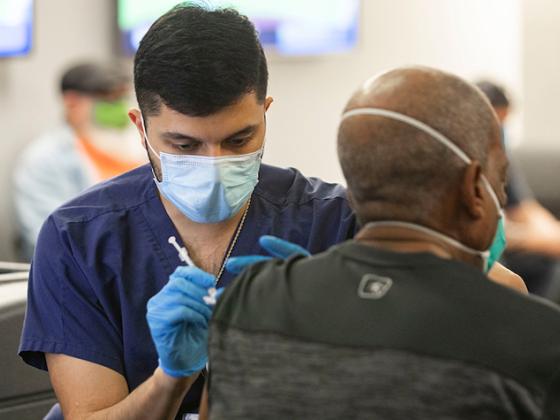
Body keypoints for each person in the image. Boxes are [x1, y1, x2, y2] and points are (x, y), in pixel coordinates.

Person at [18, 5, 356, 419]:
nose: (214, 164)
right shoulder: (77, 239)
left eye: (239, 139)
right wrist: (171, 378)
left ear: (264, 113)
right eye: (184, 146)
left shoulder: (333, 222)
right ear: (140, 127)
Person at [205, 67, 560, 419]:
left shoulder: (249, 298)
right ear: (473, 186)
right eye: (500, 178)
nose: (502, 194)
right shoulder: (536, 336)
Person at [13, 62, 145, 260]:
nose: (118, 107)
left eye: (121, 98)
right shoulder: (43, 161)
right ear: (72, 102)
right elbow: (50, 237)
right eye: (108, 99)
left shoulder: (135, 144)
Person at [476, 80, 560, 298]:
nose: (500, 132)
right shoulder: (459, 162)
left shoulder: (501, 159)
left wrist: (551, 235)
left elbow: (524, 208)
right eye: (495, 123)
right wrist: (529, 238)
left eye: (504, 125)